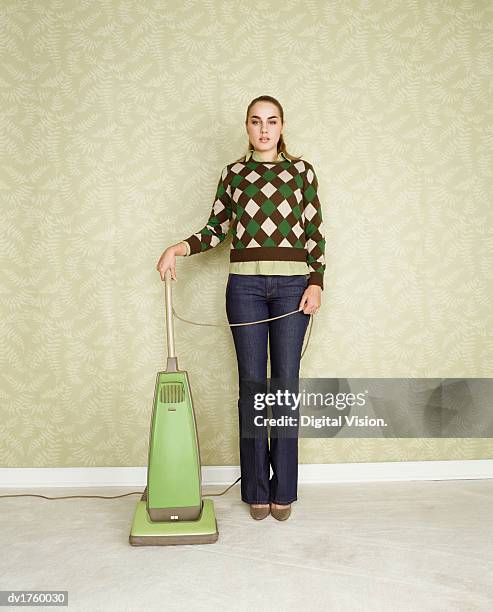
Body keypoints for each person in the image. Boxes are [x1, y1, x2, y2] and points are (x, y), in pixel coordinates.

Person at [156, 95, 326, 521]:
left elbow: (315, 234)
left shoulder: (302, 173)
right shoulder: (234, 174)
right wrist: (178, 247)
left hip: (292, 290)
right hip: (245, 289)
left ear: (282, 126)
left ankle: (283, 489)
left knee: (284, 387)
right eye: (256, 122)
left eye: (271, 121)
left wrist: (316, 283)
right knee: (251, 387)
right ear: (247, 128)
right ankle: (255, 488)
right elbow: (215, 230)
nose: (264, 129)